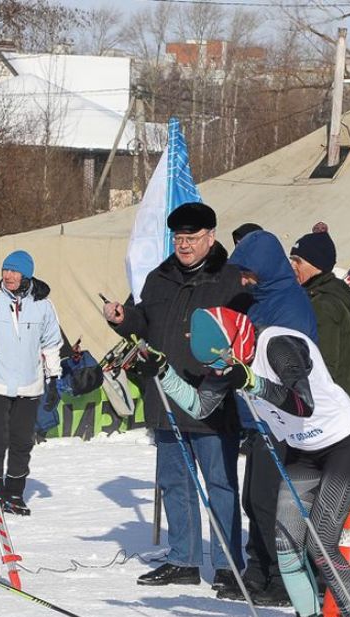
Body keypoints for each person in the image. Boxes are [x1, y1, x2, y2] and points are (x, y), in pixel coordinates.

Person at [154, 306, 350, 617]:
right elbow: (198, 406)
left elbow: (303, 403)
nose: (219, 370)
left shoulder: (278, 344)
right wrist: (162, 373)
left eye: (223, 360)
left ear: (236, 341)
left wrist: (252, 382)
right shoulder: (231, 363)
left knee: (320, 541)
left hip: (342, 443)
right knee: (287, 543)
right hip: (302, 451)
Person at [103, 201, 248, 591]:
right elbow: (144, 323)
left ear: (210, 237)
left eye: (192, 238)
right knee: (174, 483)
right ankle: (182, 558)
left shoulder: (231, 279)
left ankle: (227, 564)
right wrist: (122, 319)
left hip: (210, 401)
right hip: (166, 398)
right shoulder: (158, 277)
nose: (183, 246)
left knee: (220, 484)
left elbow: (246, 336)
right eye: (179, 238)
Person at [222, 228, 320, 605]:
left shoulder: (289, 306)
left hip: (281, 416)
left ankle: (285, 576)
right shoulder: (257, 300)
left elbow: (290, 364)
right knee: (254, 498)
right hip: (257, 413)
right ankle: (259, 568)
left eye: (249, 272)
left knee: (272, 500)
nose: (244, 280)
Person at [0, 250, 62, 516]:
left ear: (26, 275)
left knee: (22, 442)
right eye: (6, 270)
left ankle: (15, 494)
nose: (8, 276)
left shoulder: (43, 305)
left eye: (14, 271)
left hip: (29, 384)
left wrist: (53, 378)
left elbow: (51, 343)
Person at [289, 230, 350, 399]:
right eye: (291, 260)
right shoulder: (318, 297)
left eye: (297, 261)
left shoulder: (324, 305)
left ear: (316, 265)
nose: (292, 266)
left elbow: (324, 365)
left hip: (329, 406)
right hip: (334, 403)